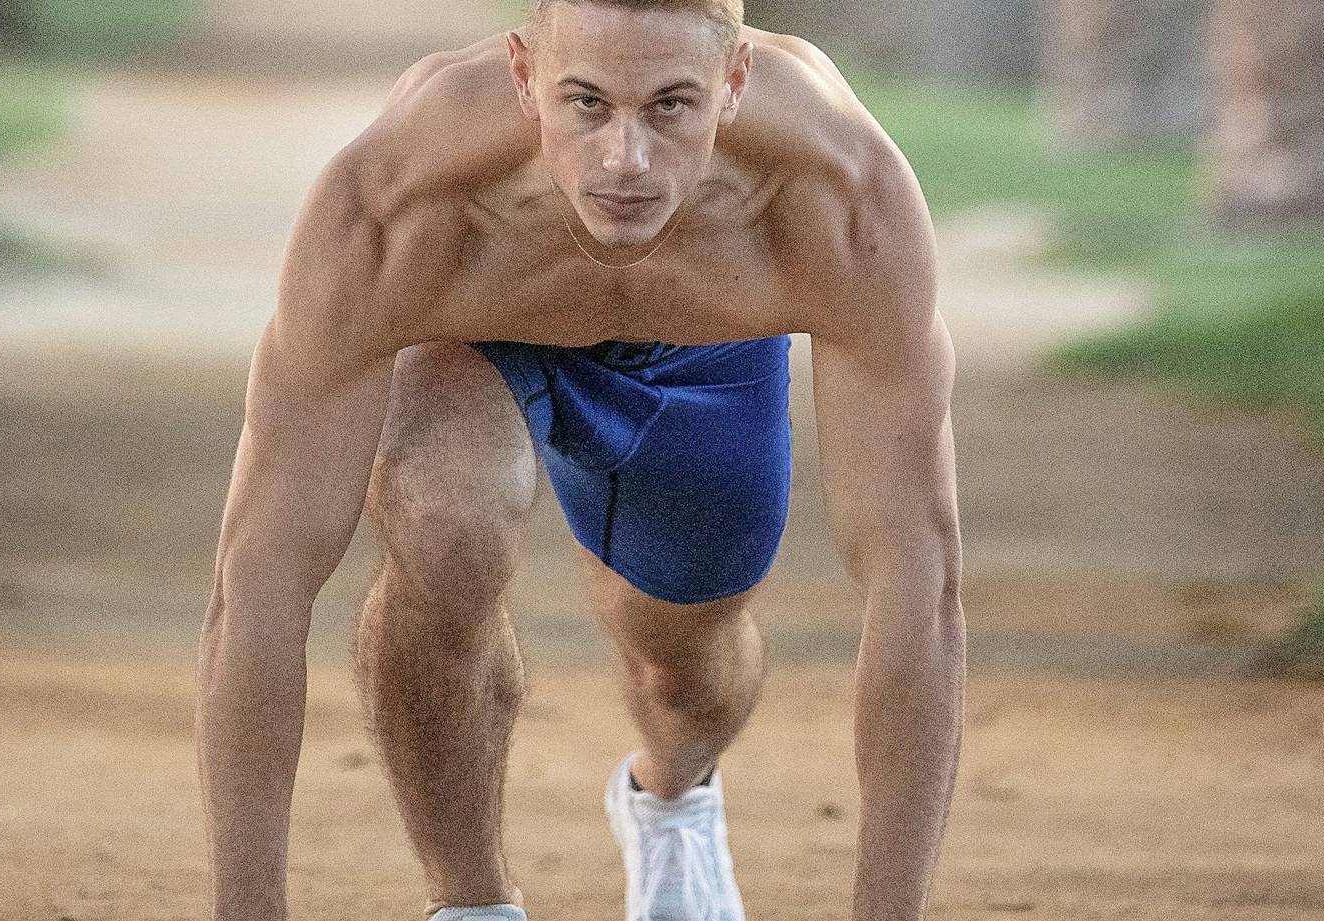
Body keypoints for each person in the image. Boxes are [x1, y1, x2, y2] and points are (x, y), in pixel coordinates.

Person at [194, 2, 966, 920]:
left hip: (709, 350)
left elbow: (917, 584)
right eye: (587, 103)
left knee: (684, 665)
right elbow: (261, 576)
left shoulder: (840, 192)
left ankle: (671, 795)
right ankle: (472, 900)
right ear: (526, 78)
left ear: (734, 83)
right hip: (479, 335)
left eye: (671, 105)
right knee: (445, 517)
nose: (625, 159)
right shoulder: (399, 202)